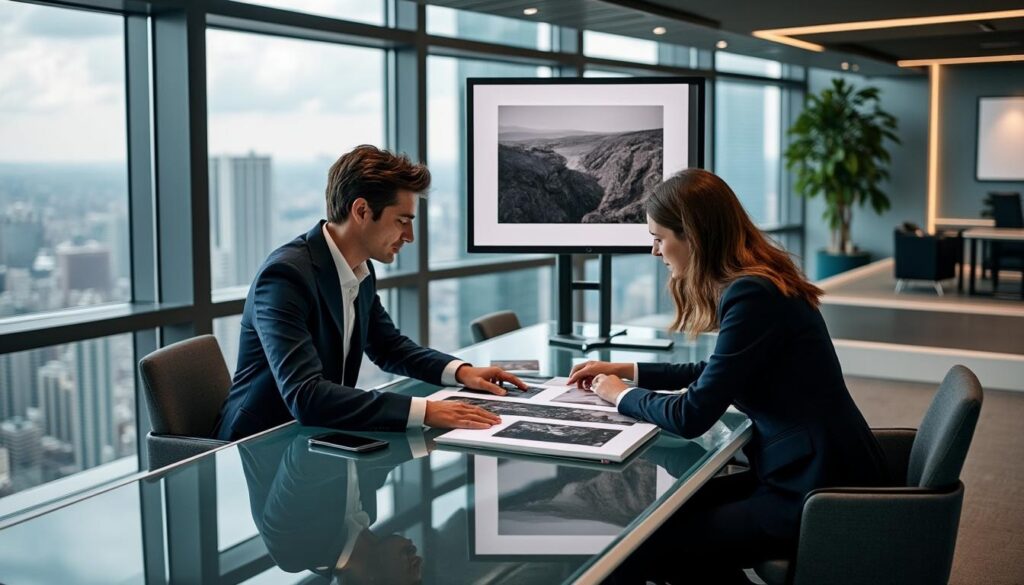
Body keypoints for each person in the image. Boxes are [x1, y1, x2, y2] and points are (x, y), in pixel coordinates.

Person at [566, 169, 889, 584]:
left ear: (694, 238)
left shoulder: (751, 294)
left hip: (814, 489)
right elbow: (720, 371)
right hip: (811, 468)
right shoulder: (757, 281)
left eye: (659, 237)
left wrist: (620, 395)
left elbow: (692, 414)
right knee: (659, 518)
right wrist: (626, 369)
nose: (654, 251)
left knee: (642, 543)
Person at [214, 145, 522, 441]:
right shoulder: (286, 276)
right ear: (361, 210)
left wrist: (462, 372)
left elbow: (389, 347)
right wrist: (426, 411)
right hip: (258, 446)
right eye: (402, 221)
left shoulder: (360, 268)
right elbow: (305, 395)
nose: (410, 237)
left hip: (318, 438)